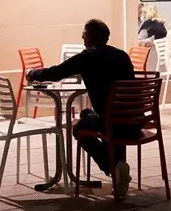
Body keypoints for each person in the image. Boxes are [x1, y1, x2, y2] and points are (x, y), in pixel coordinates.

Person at [26, 19, 136, 198]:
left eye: (84, 33)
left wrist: (32, 73)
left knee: (78, 128)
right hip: (133, 120)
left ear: (90, 37)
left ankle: (113, 168)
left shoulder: (86, 58)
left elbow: (55, 73)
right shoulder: (122, 55)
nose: (82, 37)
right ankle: (118, 165)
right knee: (87, 114)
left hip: (111, 121)